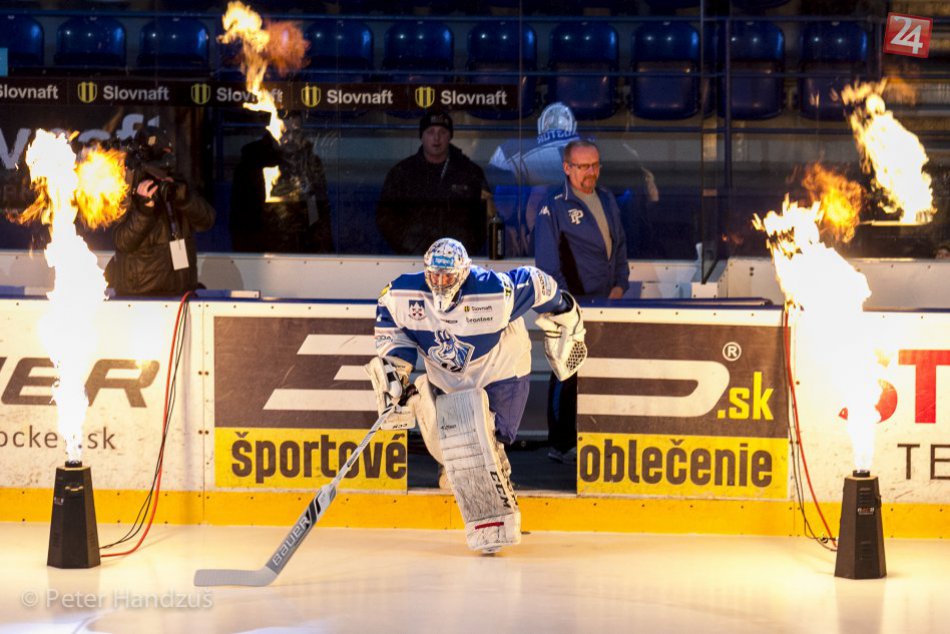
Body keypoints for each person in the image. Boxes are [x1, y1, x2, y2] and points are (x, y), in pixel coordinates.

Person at [367, 237, 586, 553]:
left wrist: (564, 310)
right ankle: (444, 438)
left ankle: (481, 457)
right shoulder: (402, 294)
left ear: (464, 273)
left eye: (448, 277)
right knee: (461, 445)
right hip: (448, 376)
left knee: (492, 438)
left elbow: (536, 281)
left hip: (501, 365)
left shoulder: (493, 290)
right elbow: (391, 322)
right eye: (434, 275)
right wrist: (397, 373)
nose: (440, 283)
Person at [534, 139, 630, 464]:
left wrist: (620, 285)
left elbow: (619, 247)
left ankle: (591, 437)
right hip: (571, 307)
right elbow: (547, 265)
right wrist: (566, 306)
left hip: (607, 302)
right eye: (583, 166)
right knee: (567, 372)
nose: (591, 172)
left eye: (595, 165)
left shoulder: (607, 198)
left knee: (600, 371)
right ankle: (560, 444)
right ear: (567, 168)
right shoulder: (553, 206)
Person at [106, 125, 215, 297]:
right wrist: (144, 210)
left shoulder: (175, 183)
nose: (166, 164)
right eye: (162, 157)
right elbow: (123, 242)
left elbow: (207, 220)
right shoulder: (125, 188)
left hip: (180, 291)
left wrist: (184, 199)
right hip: (142, 294)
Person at [376, 111, 493, 255]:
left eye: (442, 132)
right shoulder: (402, 172)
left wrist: (463, 250)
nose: (436, 138)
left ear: (450, 136)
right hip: (413, 259)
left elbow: (486, 218)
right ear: (422, 136)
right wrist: (412, 249)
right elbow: (386, 218)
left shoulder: (470, 172)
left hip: (458, 259)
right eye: (430, 132)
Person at [230, 111, 333, 253]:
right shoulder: (252, 165)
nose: (290, 138)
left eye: (295, 132)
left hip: (302, 251)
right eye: (284, 133)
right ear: (273, 132)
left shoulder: (310, 163)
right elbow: (240, 217)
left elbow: (318, 211)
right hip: (262, 251)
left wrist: (322, 248)